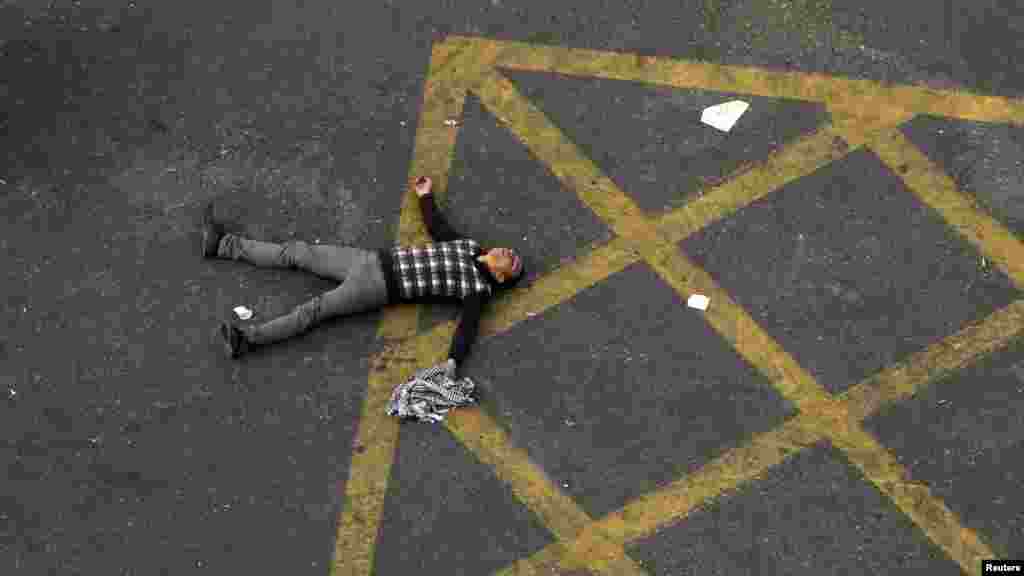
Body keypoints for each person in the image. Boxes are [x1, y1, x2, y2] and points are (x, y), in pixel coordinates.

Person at [201, 176, 524, 379]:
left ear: (501, 277)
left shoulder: (478, 289)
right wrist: (425, 197)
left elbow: (467, 327)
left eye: (514, 264)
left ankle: (247, 339)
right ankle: (224, 245)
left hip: (376, 287)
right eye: (512, 253)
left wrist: (453, 362)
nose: (511, 254)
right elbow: (439, 228)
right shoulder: (468, 245)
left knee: (312, 310)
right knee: (297, 252)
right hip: (368, 259)